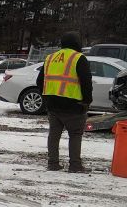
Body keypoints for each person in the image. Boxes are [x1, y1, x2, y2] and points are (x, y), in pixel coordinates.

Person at [36, 31, 93, 173]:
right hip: (74, 105)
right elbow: (86, 82)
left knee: (54, 135)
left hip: (53, 105)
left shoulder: (50, 58)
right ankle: (75, 165)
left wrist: (47, 96)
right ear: (77, 43)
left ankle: (53, 163)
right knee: (75, 135)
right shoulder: (79, 58)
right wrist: (87, 101)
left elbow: (39, 81)